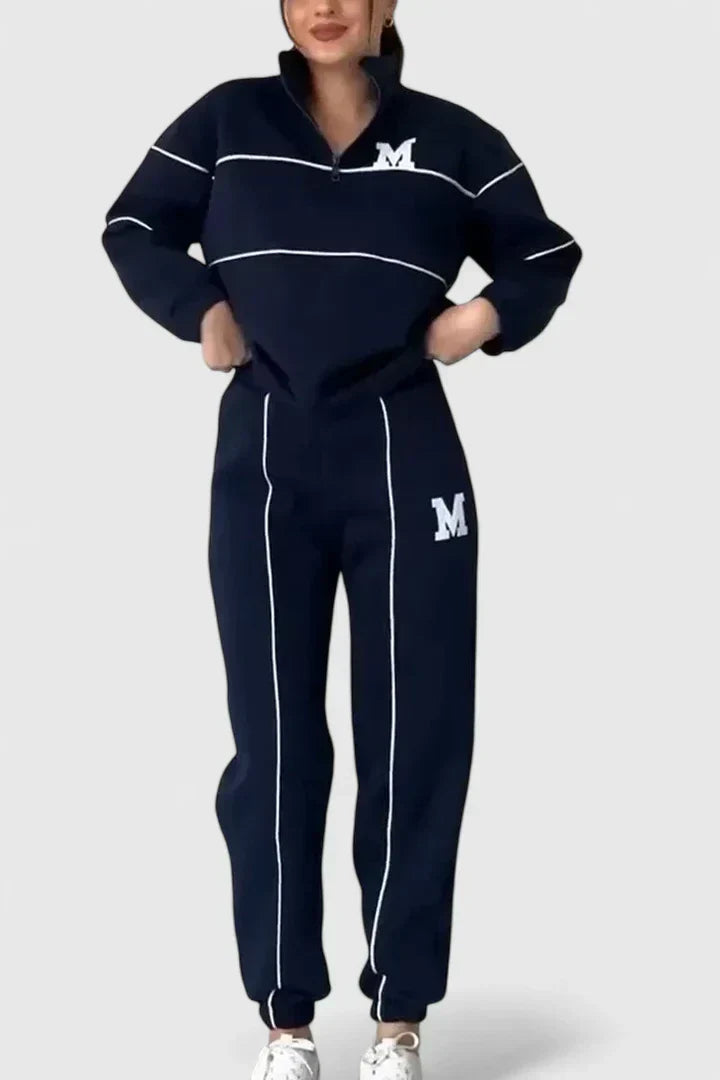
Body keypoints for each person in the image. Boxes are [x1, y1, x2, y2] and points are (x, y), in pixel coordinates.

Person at [100, 1, 582, 1077]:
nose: (324, 6)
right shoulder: (226, 122)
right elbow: (133, 225)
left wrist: (482, 318)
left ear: (387, 3)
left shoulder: (453, 139)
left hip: (407, 453)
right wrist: (199, 309)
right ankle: (286, 1021)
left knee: (416, 734)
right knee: (274, 740)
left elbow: (545, 250)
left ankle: (399, 1018)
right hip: (266, 457)